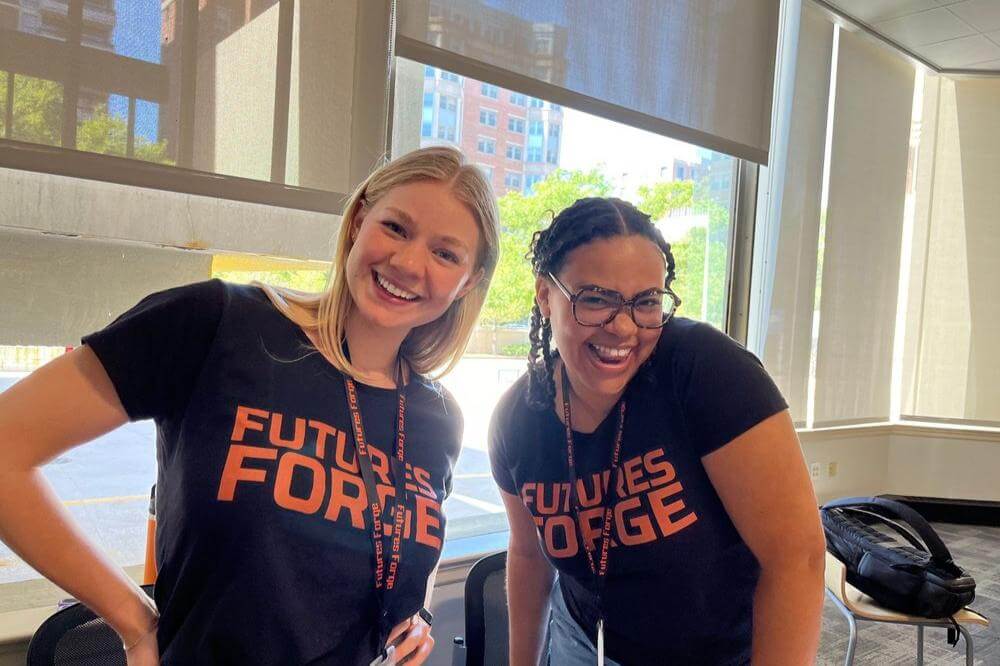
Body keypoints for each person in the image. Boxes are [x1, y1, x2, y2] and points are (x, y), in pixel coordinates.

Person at [0, 146, 500, 665]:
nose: (409, 262)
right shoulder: (218, 325)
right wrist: (134, 624)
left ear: (468, 282)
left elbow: (404, 538)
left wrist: (416, 616)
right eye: (396, 227)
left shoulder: (438, 418)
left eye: (446, 254)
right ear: (358, 221)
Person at [488, 197, 825, 665]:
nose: (623, 327)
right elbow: (528, 555)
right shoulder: (517, 420)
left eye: (645, 302)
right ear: (546, 296)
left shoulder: (705, 371)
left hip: (716, 653)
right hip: (583, 641)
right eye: (596, 298)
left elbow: (796, 558)